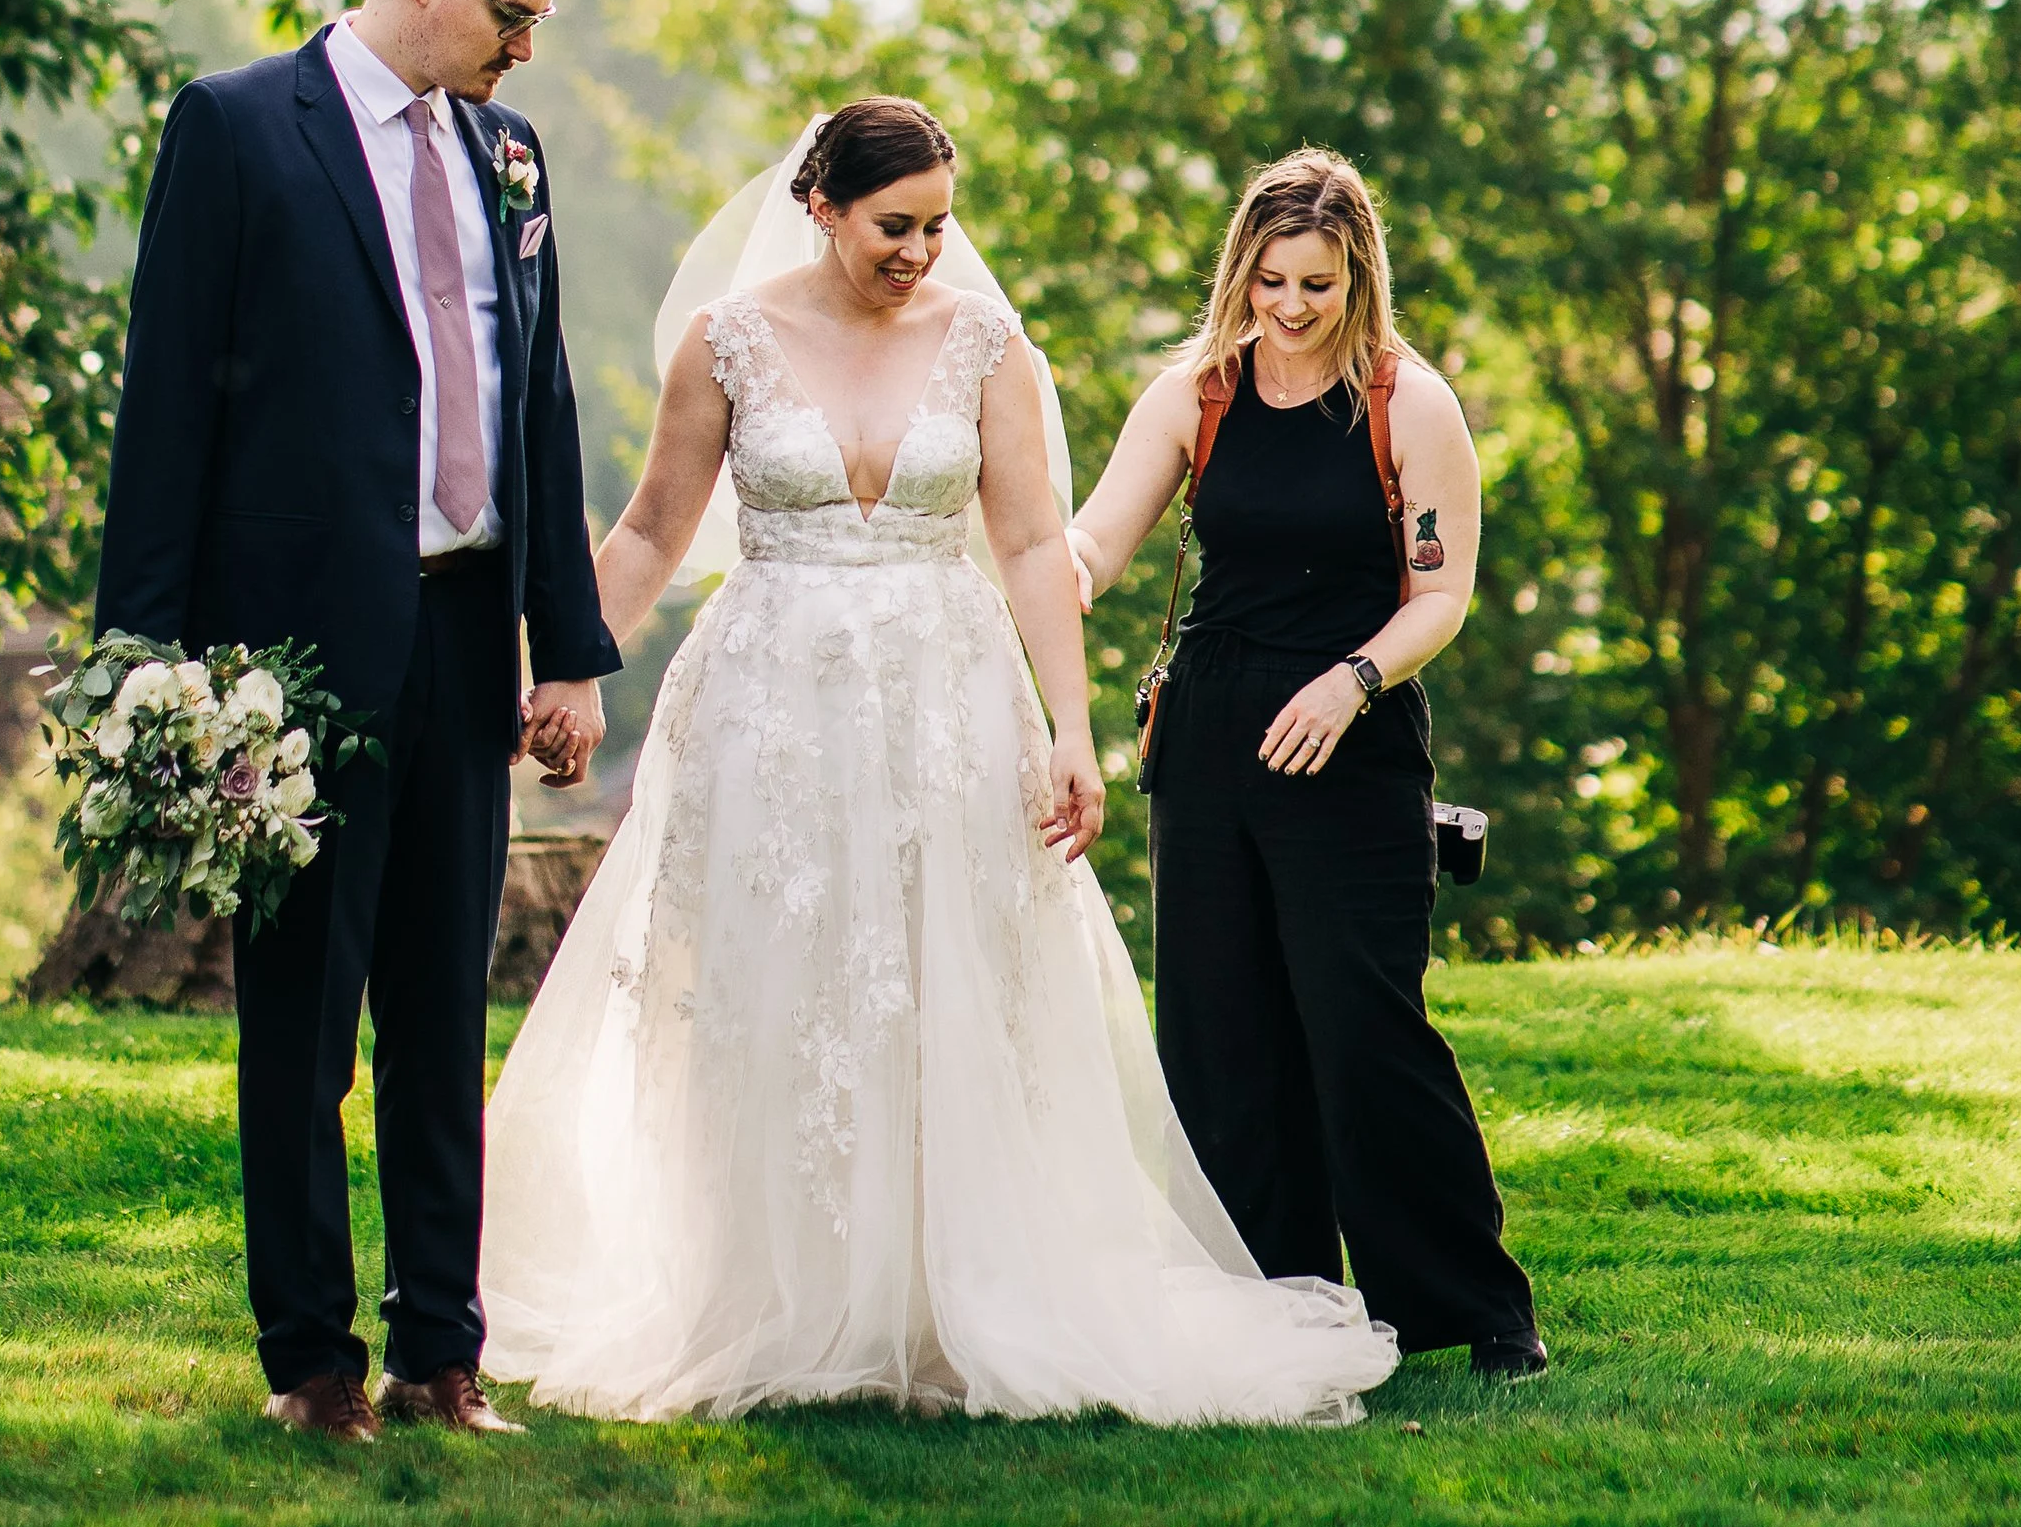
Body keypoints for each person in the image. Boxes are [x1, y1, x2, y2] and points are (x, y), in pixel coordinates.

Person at [479, 99, 1399, 1425]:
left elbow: (1028, 544)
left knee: (943, 984)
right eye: (892, 226)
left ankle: (946, 1293)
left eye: (936, 225)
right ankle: (776, 1290)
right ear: (820, 208)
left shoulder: (984, 345)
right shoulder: (727, 342)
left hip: (946, 703)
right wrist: (568, 669)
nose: (920, 251)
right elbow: (649, 531)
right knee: (780, 987)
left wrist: (1069, 728)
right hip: (771, 709)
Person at [94, 0, 616, 1444]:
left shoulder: (510, 153)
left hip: (464, 635)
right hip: (294, 659)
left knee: (443, 1015)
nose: (525, 47)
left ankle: (440, 1354)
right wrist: (147, 669)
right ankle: (312, 1364)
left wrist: (567, 644)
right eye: (511, 14)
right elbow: (165, 407)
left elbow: (538, 402)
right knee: (304, 1021)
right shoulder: (240, 128)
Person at [1072, 146, 1546, 1378]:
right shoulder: (1194, 392)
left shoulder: (1410, 403)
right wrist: (1041, 573)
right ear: (1241, 270)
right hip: (1210, 736)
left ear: (1358, 279)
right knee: (1218, 1034)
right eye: (1270, 280)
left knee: (1363, 1024)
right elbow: (1098, 541)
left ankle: (1475, 1310)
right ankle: (1266, 1304)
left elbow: (1439, 597)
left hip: (1352, 731)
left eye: (1316, 285)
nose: (1289, 306)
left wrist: (1351, 682)